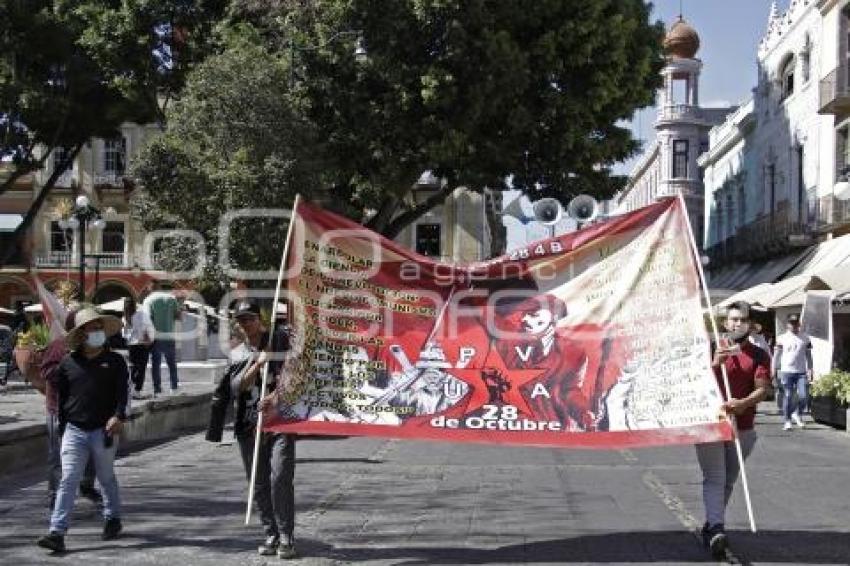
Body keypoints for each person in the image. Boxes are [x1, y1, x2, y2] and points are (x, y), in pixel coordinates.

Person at [206, 301, 297, 559]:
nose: (246, 324)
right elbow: (236, 387)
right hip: (248, 426)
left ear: (261, 320)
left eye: (250, 319)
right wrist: (258, 363)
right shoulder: (237, 353)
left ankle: (287, 535)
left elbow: (294, 376)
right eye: (241, 320)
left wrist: (276, 396)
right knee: (258, 484)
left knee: (280, 477)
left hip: (280, 423)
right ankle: (271, 533)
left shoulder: (279, 342)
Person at [37, 308, 129, 554]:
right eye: (92, 328)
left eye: (100, 327)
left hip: (105, 430)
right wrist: (63, 426)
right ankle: (57, 531)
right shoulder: (68, 362)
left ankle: (113, 518)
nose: (97, 332)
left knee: (106, 476)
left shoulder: (116, 362)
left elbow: (123, 393)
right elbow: (61, 395)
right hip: (74, 430)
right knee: (68, 479)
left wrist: (119, 416)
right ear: (81, 334)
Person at [696, 301, 770, 559]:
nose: (737, 323)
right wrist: (714, 364)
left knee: (728, 479)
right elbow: (694, 383)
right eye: (733, 319)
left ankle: (712, 523)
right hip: (711, 424)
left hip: (744, 426)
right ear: (725, 323)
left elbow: (762, 388)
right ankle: (717, 528)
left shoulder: (759, 354)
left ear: (749, 324)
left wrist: (743, 404)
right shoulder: (710, 349)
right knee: (714, 477)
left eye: (742, 319)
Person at [31, 307, 102, 514]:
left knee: (93, 453)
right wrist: (71, 367)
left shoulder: (96, 349)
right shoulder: (58, 346)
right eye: (90, 325)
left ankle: (86, 485)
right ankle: (55, 496)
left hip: (88, 411)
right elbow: (47, 373)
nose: (95, 330)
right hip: (59, 411)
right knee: (58, 456)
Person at [773, 313, 813, 430]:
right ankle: (787, 420)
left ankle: (797, 414)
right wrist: (773, 371)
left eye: (796, 323)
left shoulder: (805, 338)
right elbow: (776, 356)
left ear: (799, 324)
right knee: (788, 395)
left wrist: (810, 369)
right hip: (786, 371)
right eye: (791, 323)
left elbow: (809, 356)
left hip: (801, 372)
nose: (794, 325)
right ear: (787, 325)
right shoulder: (781, 338)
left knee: (803, 396)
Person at [143, 284, 181, 394]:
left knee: (156, 364)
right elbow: (179, 316)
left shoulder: (148, 300)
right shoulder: (172, 298)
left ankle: (157, 389)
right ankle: (174, 387)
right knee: (172, 363)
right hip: (169, 335)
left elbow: (147, 319)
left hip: (156, 337)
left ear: (150, 289)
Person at [123, 296, 154, 399]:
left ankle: (131, 389)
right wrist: (149, 340)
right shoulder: (140, 314)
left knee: (133, 368)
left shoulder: (125, 317)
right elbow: (147, 328)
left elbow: (124, 334)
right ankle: (137, 390)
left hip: (131, 345)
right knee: (141, 368)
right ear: (134, 305)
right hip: (141, 344)